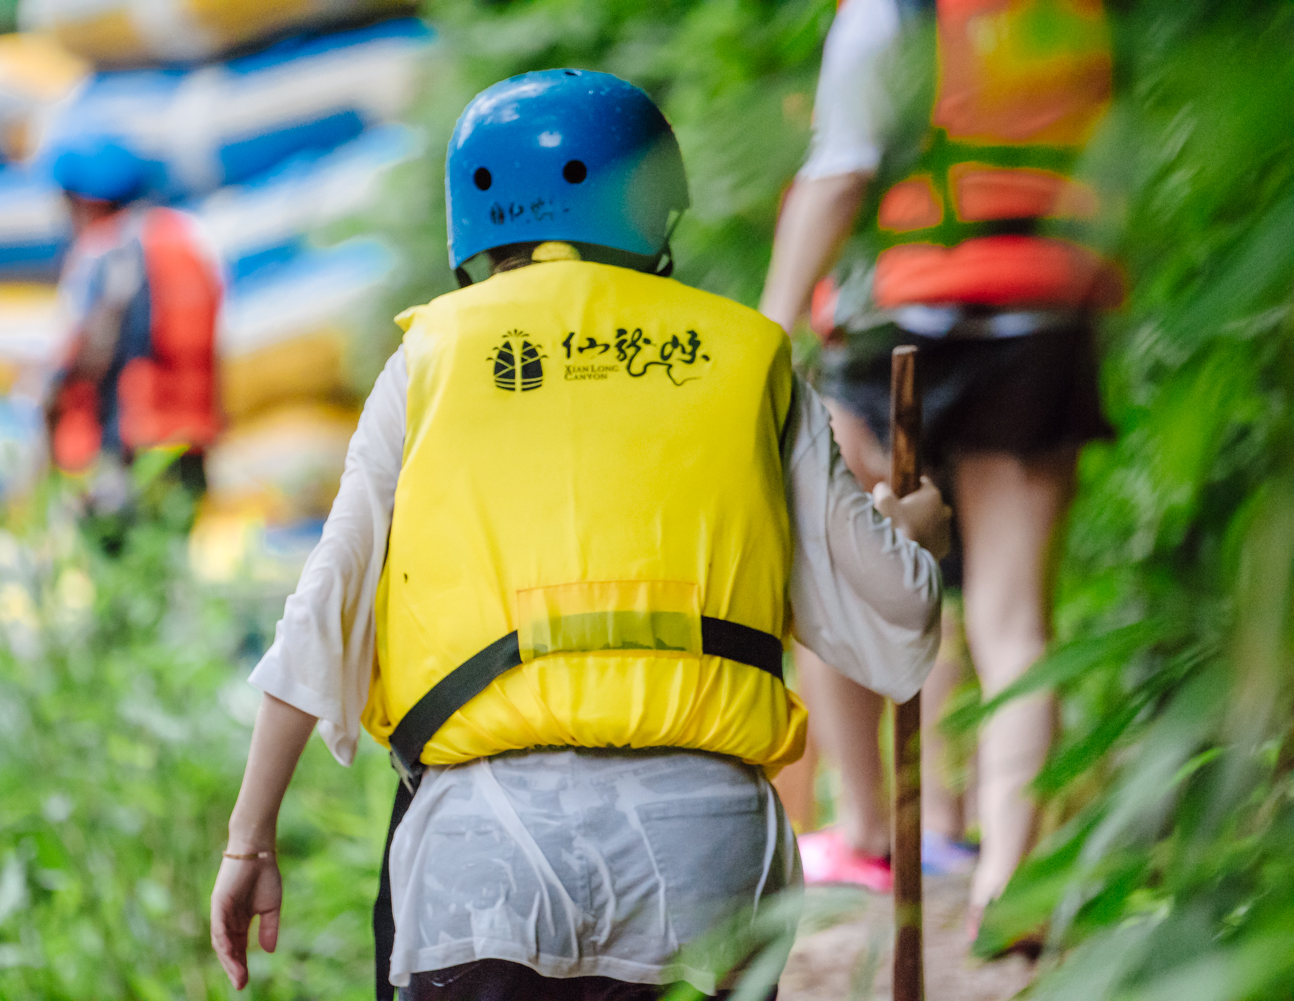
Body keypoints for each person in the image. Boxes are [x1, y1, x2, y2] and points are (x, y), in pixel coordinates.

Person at [211, 69, 951, 1000]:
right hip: (707, 843)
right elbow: (897, 614)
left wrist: (250, 838)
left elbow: (327, 599)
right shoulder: (750, 355)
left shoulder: (432, 355)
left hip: (487, 846)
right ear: (655, 212)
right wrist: (913, 533)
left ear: (475, 228)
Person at [759, 0, 1120, 939]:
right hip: (1041, 315)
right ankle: (1010, 881)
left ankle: (867, 831)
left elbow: (841, 173)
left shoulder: (889, 11)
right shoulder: (1071, 11)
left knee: (836, 566)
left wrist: (770, 328)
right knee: (1014, 618)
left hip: (904, 318)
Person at [49, 139, 222, 494]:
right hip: (193, 438)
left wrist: (51, 402)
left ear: (85, 200)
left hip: (130, 443)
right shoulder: (191, 237)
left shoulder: (105, 248)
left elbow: (90, 346)